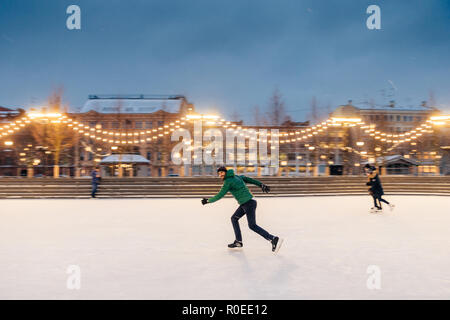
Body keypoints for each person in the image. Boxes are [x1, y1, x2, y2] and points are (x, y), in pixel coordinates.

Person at [201, 166, 283, 253]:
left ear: (225, 172)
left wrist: (208, 201)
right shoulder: (237, 176)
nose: (220, 174)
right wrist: (261, 184)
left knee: (252, 225)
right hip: (248, 202)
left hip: (248, 203)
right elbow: (249, 179)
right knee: (234, 218)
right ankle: (238, 242)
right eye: (219, 173)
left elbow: (220, 195)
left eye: (221, 172)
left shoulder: (227, 182)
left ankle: (273, 239)